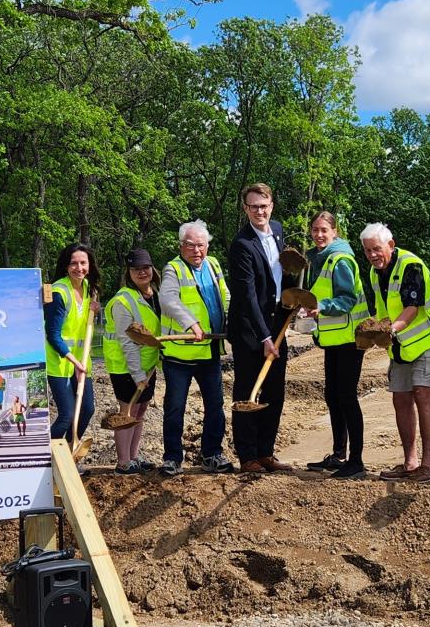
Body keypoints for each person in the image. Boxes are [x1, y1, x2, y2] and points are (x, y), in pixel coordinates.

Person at [362, 222, 430, 481]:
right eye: (368, 250)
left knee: (422, 393)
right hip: (402, 343)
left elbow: (412, 307)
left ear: (390, 246)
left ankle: (429, 464)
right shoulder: (375, 273)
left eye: (377, 249)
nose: (372, 255)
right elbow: (384, 310)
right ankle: (410, 463)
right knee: (400, 398)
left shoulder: (410, 265)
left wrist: (390, 330)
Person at [158, 220, 235, 475]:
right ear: (181, 246)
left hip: (209, 350)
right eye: (190, 245)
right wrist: (191, 323)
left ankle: (212, 454)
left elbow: (225, 295)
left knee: (215, 405)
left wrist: (232, 318)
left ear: (207, 245)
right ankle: (172, 458)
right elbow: (168, 299)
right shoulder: (173, 269)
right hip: (180, 353)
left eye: (201, 245)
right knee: (175, 407)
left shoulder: (213, 265)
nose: (196, 250)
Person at [227, 182, 293, 473]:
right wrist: (265, 336)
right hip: (250, 329)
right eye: (253, 207)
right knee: (247, 392)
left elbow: (285, 275)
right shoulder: (241, 245)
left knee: (274, 391)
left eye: (263, 206)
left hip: (277, 319)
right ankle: (248, 456)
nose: (259, 211)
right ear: (246, 209)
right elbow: (247, 295)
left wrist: (293, 304)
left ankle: (266, 451)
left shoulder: (277, 231)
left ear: (271, 206)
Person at [307, 211, 371, 479]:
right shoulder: (319, 259)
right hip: (334, 339)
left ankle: (356, 461)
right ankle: (339, 454)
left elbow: (346, 300)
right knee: (333, 396)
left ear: (335, 232)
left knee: (346, 397)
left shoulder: (341, 260)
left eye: (324, 230)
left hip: (349, 340)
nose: (319, 235)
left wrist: (321, 308)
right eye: (315, 230)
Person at [104, 248, 163, 474]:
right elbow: (126, 341)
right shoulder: (123, 301)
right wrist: (137, 374)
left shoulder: (154, 295)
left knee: (140, 413)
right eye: (136, 269)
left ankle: (134, 456)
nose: (142, 272)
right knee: (126, 414)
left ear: (152, 269)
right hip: (126, 367)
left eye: (145, 268)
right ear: (128, 273)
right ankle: (123, 462)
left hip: (148, 364)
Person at [44, 242, 99, 449]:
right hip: (60, 362)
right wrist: (74, 362)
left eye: (83, 263)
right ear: (66, 266)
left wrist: (93, 309)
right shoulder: (58, 292)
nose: (79, 268)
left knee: (87, 409)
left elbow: (80, 321)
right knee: (67, 415)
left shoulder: (88, 288)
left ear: (89, 265)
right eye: (74, 263)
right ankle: (44, 456)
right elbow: (53, 335)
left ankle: (68, 452)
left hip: (81, 360)